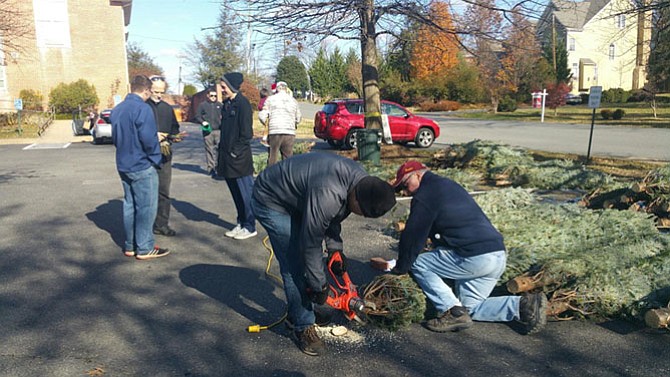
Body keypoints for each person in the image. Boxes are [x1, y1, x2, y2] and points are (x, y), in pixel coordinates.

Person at [251, 153, 397, 356]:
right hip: (270, 198)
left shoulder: (362, 183)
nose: (359, 215)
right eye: (361, 212)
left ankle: (303, 306)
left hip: (299, 195)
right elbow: (310, 243)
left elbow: (334, 215)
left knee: (308, 267)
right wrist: (319, 286)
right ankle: (301, 325)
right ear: (356, 196)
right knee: (295, 264)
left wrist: (335, 248)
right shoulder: (329, 192)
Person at [389, 160, 547, 334]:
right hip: (497, 255)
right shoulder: (448, 185)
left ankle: (451, 311)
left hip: (474, 257)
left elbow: (413, 236)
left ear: (418, 175)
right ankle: (523, 306)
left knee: (418, 263)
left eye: (405, 185)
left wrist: (401, 268)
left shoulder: (425, 194)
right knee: (471, 308)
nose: (405, 191)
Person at [110, 75, 169, 260]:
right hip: (141, 164)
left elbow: (117, 137)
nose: (150, 95)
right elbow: (149, 139)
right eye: (150, 92)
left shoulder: (118, 109)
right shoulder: (142, 109)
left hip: (123, 163)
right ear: (145, 90)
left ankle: (131, 245)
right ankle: (144, 247)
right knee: (146, 207)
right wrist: (155, 159)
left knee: (130, 205)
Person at [217, 72, 257, 240]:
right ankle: (241, 222)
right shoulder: (227, 104)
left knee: (245, 194)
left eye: (224, 86)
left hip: (239, 160)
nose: (222, 89)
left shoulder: (243, 104)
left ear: (231, 86)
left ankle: (250, 226)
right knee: (235, 194)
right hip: (227, 159)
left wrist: (234, 152)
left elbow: (246, 134)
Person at [146, 75, 181, 237]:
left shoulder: (167, 108)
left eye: (162, 91)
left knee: (163, 191)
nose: (159, 95)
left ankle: (161, 224)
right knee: (146, 192)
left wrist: (175, 136)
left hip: (165, 155)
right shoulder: (143, 107)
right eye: (155, 91)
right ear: (148, 89)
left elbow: (174, 128)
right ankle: (145, 226)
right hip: (145, 156)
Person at [258, 81, 301, 166]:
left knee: (273, 157)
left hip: (275, 131)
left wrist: (266, 123)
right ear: (286, 89)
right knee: (288, 158)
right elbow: (298, 118)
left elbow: (262, 115)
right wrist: (294, 123)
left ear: (277, 89)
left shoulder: (270, 99)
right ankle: (287, 177)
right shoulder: (293, 101)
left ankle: (271, 177)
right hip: (289, 132)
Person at [195, 88, 222, 177]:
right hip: (208, 131)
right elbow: (197, 116)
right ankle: (211, 168)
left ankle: (219, 168)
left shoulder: (220, 105)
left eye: (215, 96)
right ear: (207, 96)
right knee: (209, 150)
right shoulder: (202, 105)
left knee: (219, 150)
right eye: (211, 96)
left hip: (218, 130)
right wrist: (202, 122)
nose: (213, 97)